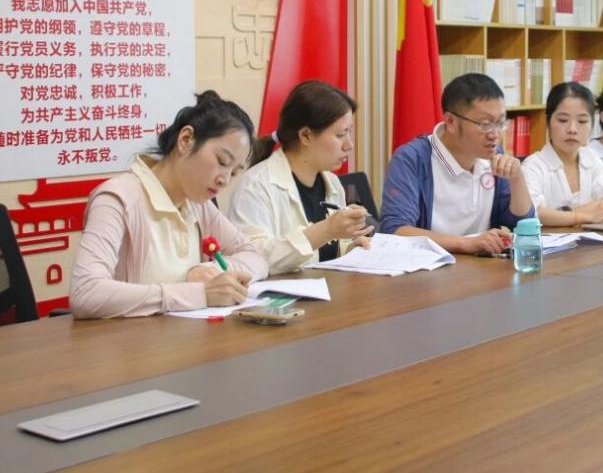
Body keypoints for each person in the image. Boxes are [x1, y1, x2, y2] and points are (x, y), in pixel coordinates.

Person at [71, 91, 268, 319]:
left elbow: (255, 256)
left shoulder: (197, 204)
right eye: (222, 161)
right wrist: (199, 293)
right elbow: (86, 293)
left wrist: (207, 271)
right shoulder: (118, 198)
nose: (224, 180)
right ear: (186, 140)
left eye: (233, 173)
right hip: (130, 339)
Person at [218, 80, 373, 275]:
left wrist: (350, 248)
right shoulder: (256, 186)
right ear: (306, 135)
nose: (349, 145)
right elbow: (250, 258)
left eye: (349, 132)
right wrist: (327, 229)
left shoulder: (332, 183)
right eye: (341, 134)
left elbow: (323, 255)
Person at [380, 73, 534, 254]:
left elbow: (522, 225)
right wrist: (466, 244)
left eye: (500, 123)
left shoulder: (494, 156)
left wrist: (517, 178)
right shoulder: (412, 159)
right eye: (485, 124)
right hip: (430, 267)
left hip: (483, 267)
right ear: (451, 122)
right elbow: (396, 231)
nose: (494, 134)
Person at [522, 83, 603, 227]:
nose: (572, 129)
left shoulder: (591, 158)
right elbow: (530, 213)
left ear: (592, 125)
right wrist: (579, 215)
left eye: (582, 121)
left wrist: (567, 214)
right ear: (548, 122)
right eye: (563, 120)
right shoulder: (533, 166)